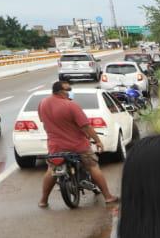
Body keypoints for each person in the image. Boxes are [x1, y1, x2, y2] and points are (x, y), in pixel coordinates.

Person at [37, 80, 118, 208]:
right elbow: (86, 126)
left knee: (51, 170)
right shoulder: (71, 106)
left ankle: (43, 200)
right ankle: (108, 196)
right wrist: (97, 141)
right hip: (77, 146)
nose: (70, 92)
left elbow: (44, 121)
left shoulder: (42, 103)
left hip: (55, 147)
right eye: (68, 90)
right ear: (60, 92)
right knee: (93, 166)